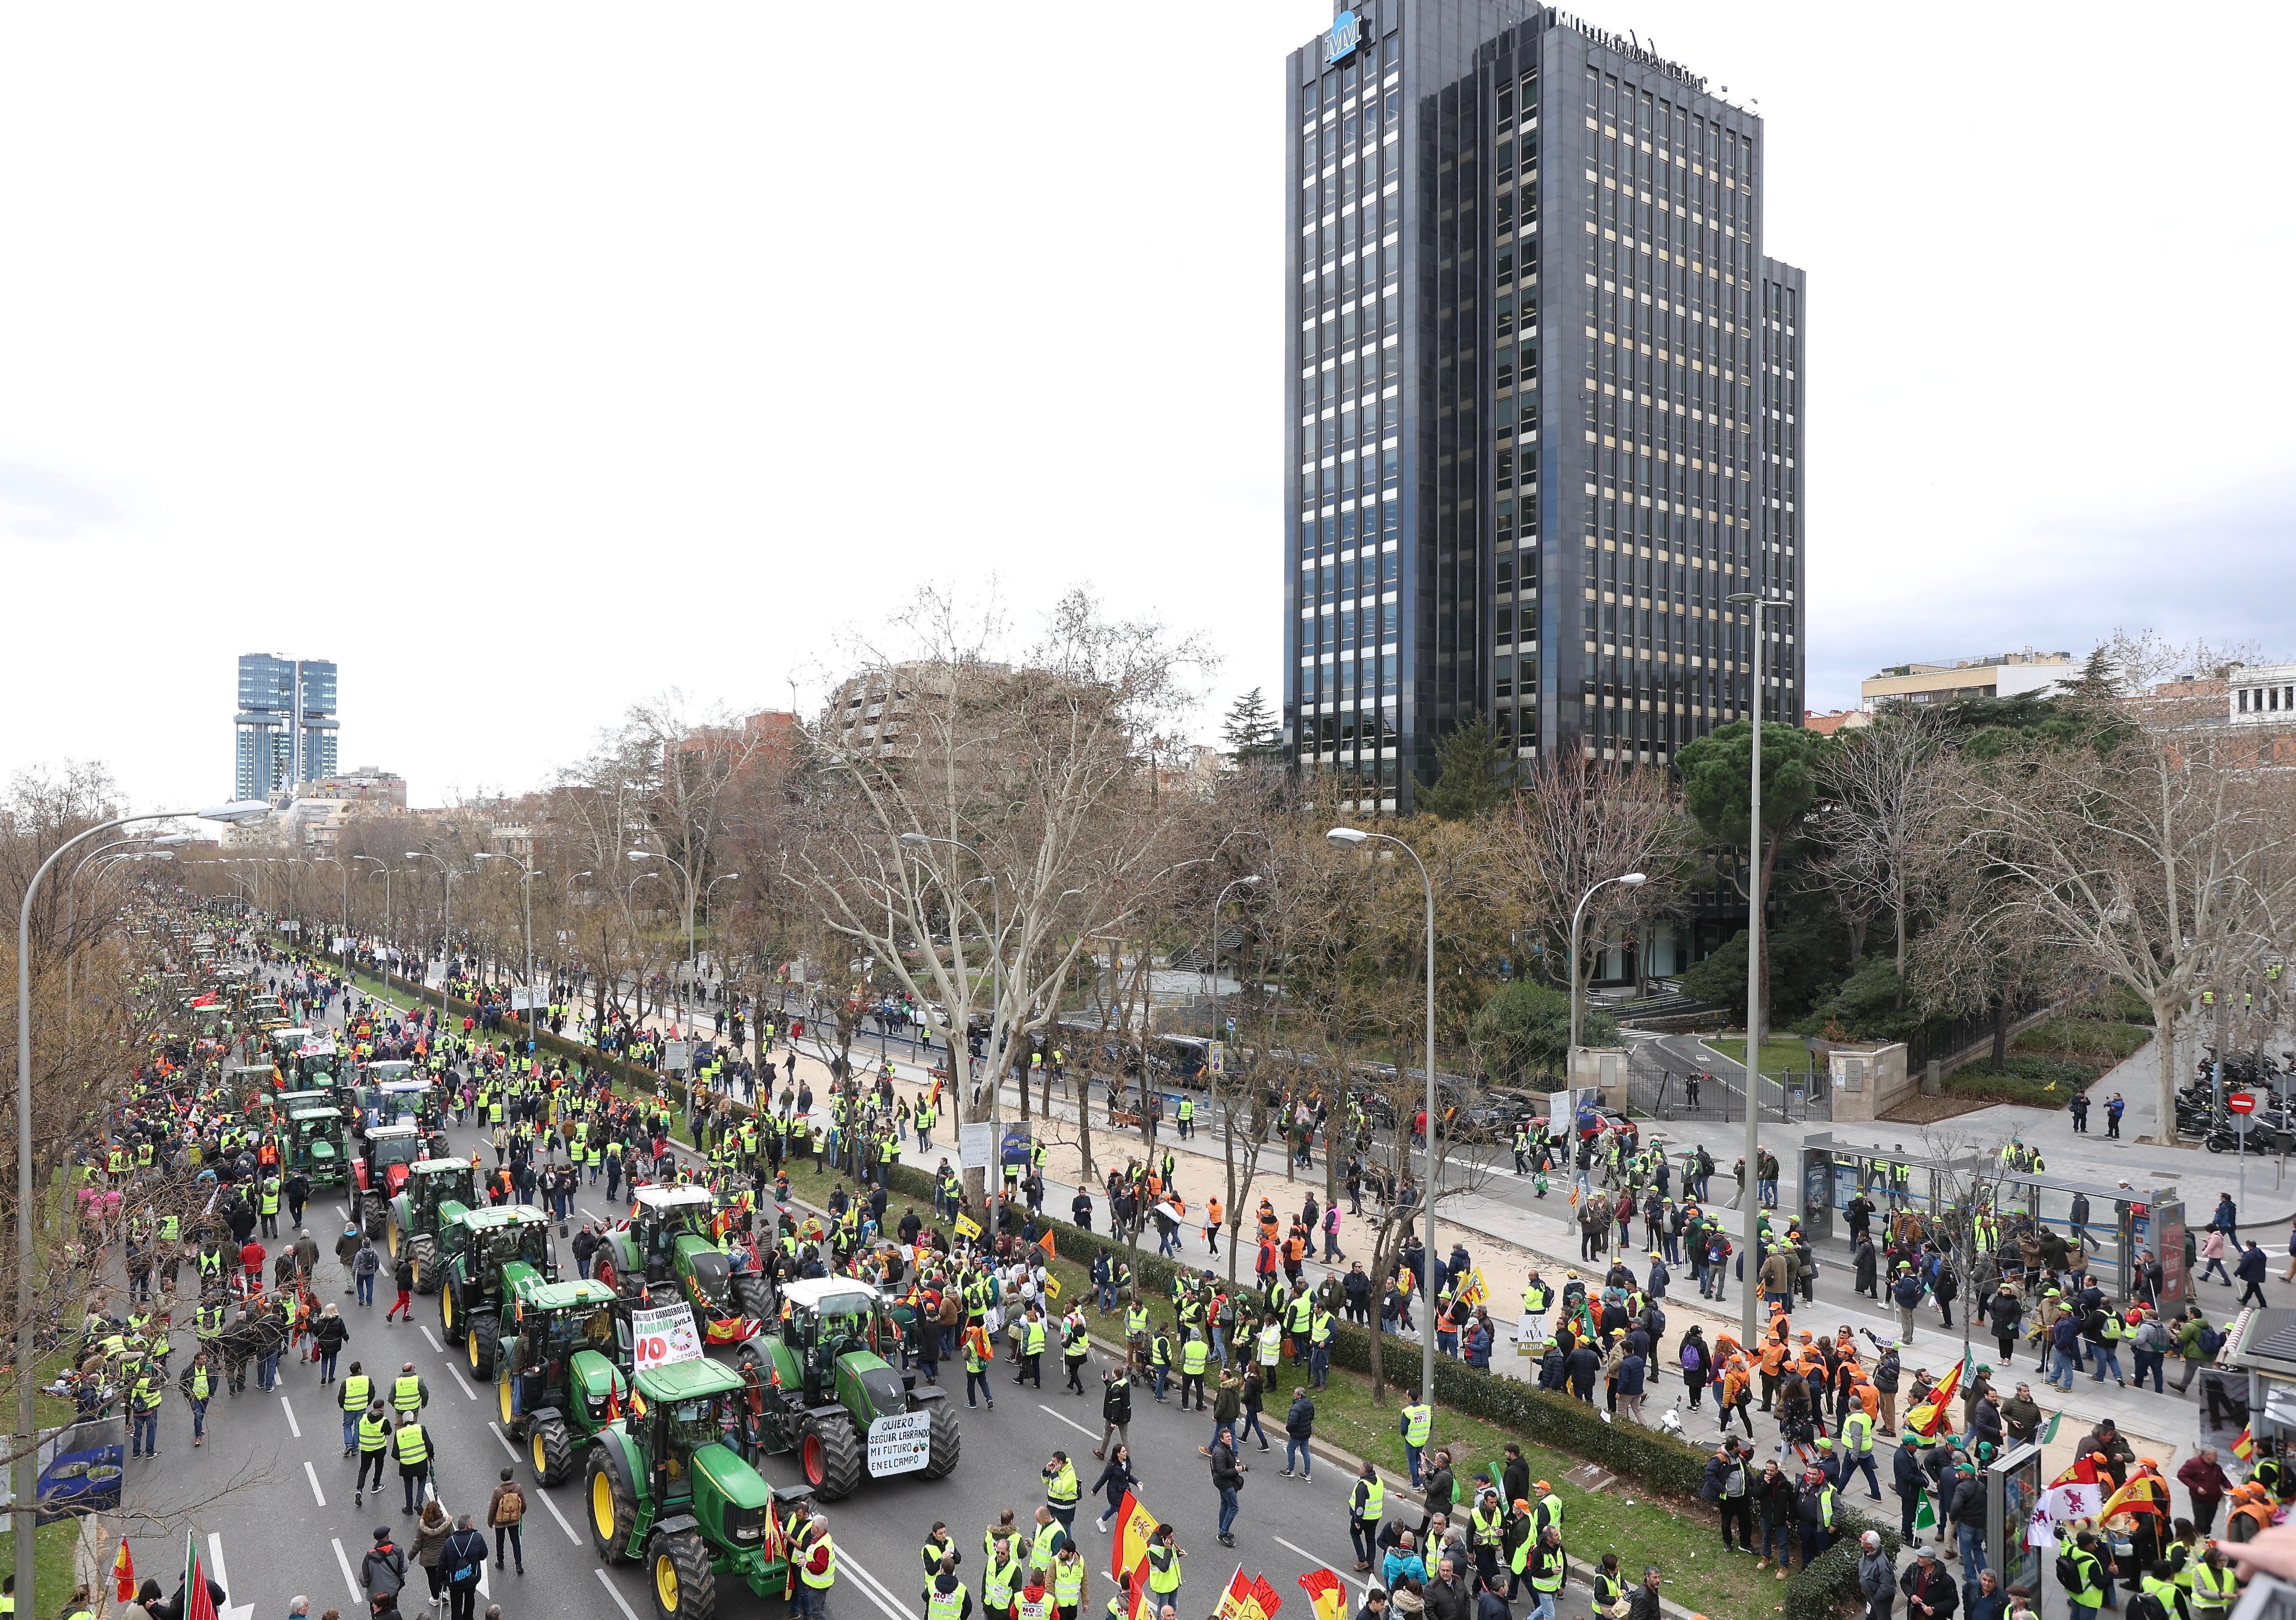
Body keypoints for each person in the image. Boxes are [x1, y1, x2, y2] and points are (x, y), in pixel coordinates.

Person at [1207, 1425, 1245, 1548]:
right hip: (1224, 1483)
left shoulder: (1224, 1448)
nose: (1230, 1438)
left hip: (1223, 1482)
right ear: (1221, 1439)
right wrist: (1237, 1470)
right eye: (1227, 1437)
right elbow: (1222, 1472)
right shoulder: (1220, 1453)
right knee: (1234, 1507)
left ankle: (1223, 1529)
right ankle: (1223, 1534)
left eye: (1230, 1436)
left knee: (1225, 1505)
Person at [411, 1501, 452, 1612]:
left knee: (432, 1578)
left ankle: (435, 1599)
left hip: (428, 1559)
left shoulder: (422, 1527)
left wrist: (410, 1557)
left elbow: (417, 1545)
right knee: (443, 1574)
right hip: (443, 1556)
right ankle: (444, 1592)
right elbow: (451, 1539)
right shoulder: (447, 1524)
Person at [486, 1468, 525, 1573]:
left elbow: (492, 1508)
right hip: (514, 1520)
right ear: (511, 1476)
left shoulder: (498, 1491)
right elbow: (524, 1506)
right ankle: (518, 1565)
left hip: (500, 1522)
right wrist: (519, 1513)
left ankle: (501, 1562)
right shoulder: (518, 1489)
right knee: (515, 1541)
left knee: (500, 1541)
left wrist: (490, 1522)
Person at [1090, 1446, 1137, 1533]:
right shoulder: (1112, 1466)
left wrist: (1137, 1483)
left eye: (1125, 1451)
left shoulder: (1126, 1461)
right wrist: (1095, 1490)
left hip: (1124, 1491)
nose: (1126, 1453)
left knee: (1113, 1509)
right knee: (1123, 1513)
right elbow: (1103, 1478)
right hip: (1114, 1493)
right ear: (1118, 1454)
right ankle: (1124, 1532)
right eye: (1123, 1452)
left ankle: (1101, 1521)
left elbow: (1128, 1476)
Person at [1899, 1548, 1957, 1620]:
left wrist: (1934, 1609)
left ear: (1929, 1561)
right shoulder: (1913, 1569)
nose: (1918, 1559)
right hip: (1916, 1614)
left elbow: (1953, 1602)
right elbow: (1904, 1582)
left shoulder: (1946, 1580)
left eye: (1921, 1557)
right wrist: (1911, 1595)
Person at [359, 1528, 407, 1612]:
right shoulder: (398, 1551)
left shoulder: (369, 1557)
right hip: (391, 1592)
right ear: (388, 1537)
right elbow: (405, 1568)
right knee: (393, 1612)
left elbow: (363, 1580)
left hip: (375, 1596)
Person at [1350, 1461, 1385, 1572]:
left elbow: (1360, 1506)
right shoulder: (1379, 1480)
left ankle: (1362, 1561)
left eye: (1360, 1467)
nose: (1359, 1468)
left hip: (1364, 1518)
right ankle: (1371, 1565)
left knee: (1355, 1534)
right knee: (1370, 1539)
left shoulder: (1363, 1485)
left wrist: (1357, 1520)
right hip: (1375, 1517)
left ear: (1364, 1471)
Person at [1858, 1531, 1894, 1620]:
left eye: (1863, 1539)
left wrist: (1876, 1598)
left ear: (1870, 1545)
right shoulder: (1867, 1553)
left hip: (1880, 1599)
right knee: (1870, 1616)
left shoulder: (1881, 1564)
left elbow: (1886, 1586)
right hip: (1871, 1595)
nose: (1860, 1540)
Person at [1284, 1387, 1316, 1480]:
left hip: (1297, 1434)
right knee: (1305, 1452)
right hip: (1306, 1433)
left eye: (1295, 1394)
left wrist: (1288, 1429)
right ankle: (1307, 1473)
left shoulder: (1296, 1407)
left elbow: (1292, 1422)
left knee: (1290, 1450)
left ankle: (1290, 1471)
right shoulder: (1309, 1404)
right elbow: (1312, 1416)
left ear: (1299, 1396)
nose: (1294, 1395)